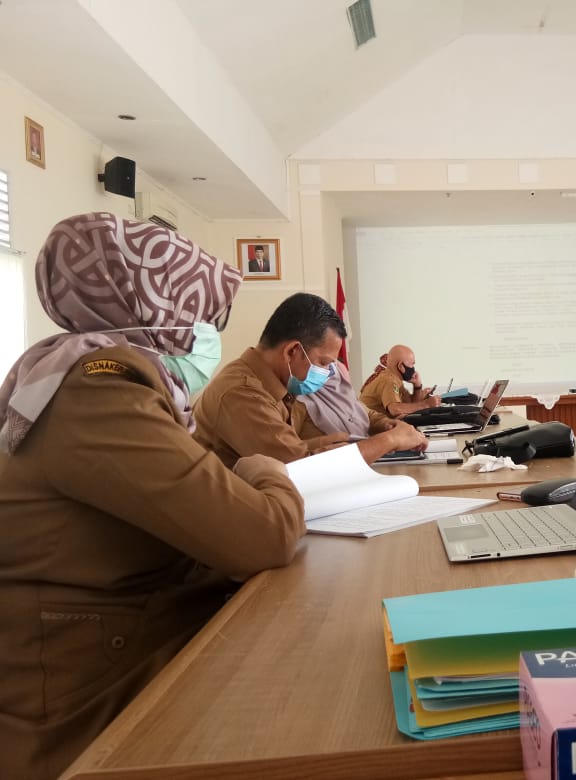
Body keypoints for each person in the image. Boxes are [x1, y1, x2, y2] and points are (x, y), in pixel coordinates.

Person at [0, 213, 305, 780]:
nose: (205, 334)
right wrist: (268, 475)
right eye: (198, 314)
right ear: (153, 308)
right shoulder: (97, 390)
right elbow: (264, 535)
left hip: (119, 644)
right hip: (85, 698)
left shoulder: (77, 371)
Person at [193, 293, 427, 467]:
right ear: (292, 351)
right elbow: (299, 468)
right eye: (323, 363)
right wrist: (390, 440)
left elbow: (293, 449)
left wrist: (346, 443)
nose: (327, 373)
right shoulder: (243, 393)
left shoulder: (280, 385)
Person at [359, 344, 441, 418]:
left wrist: (417, 386)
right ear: (401, 366)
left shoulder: (395, 379)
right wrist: (426, 404)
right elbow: (395, 410)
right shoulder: (389, 381)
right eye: (412, 364)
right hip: (371, 427)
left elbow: (411, 405)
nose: (413, 368)